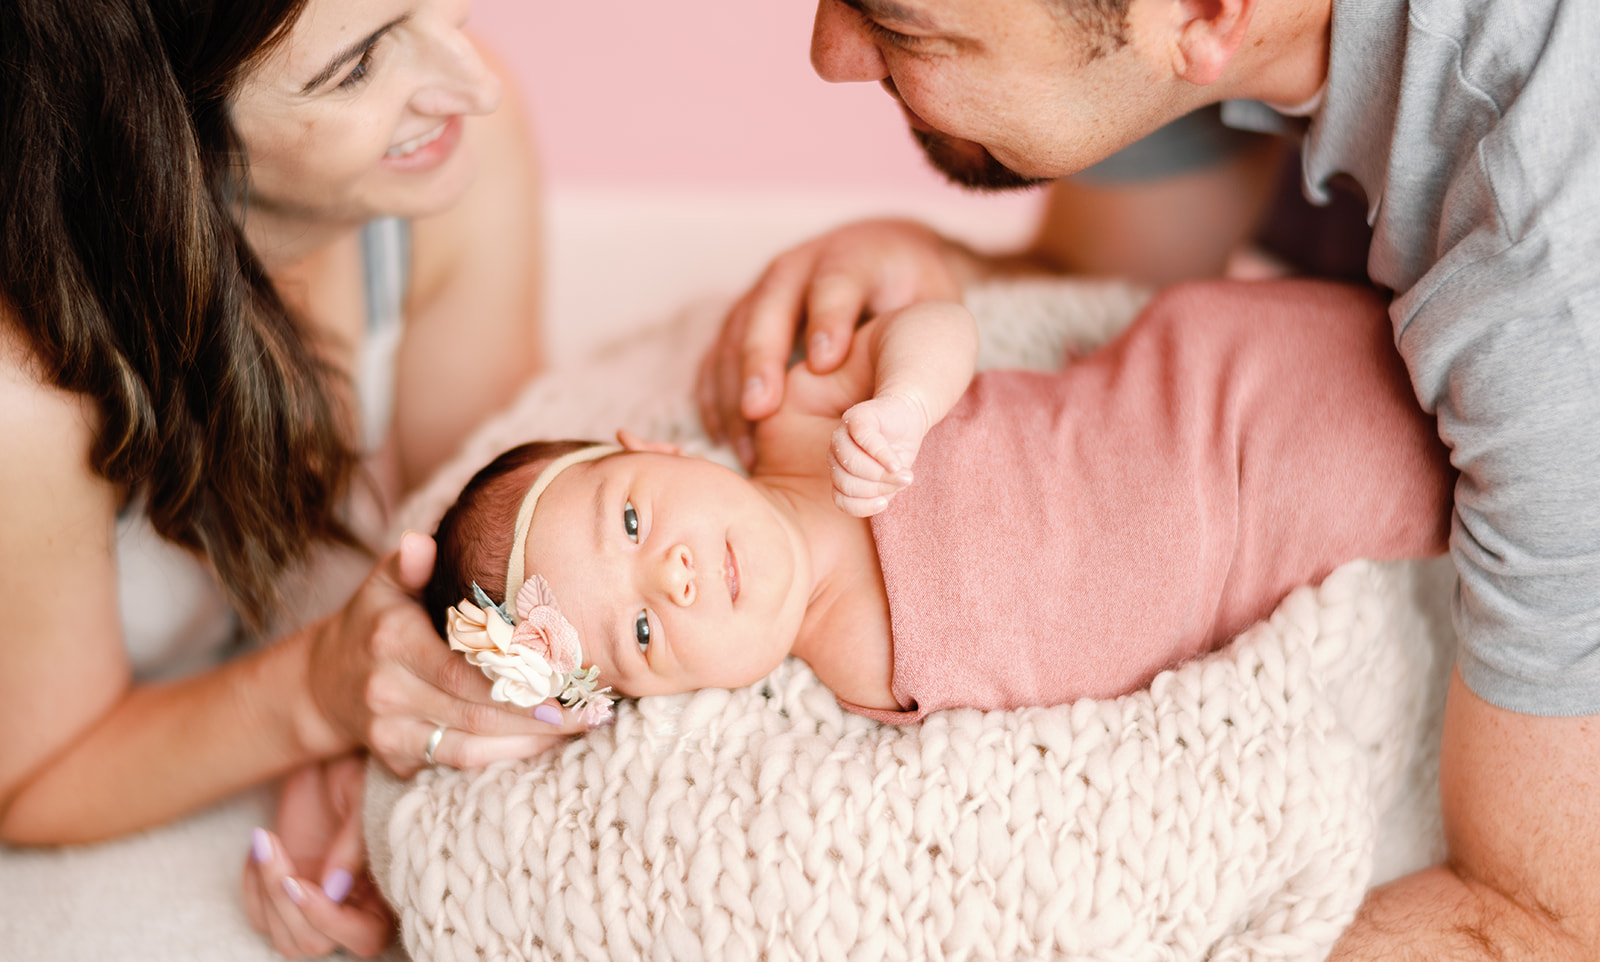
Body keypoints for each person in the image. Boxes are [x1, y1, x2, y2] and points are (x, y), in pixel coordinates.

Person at [658, 0, 1600, 962]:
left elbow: (1547, 929)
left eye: (898, 24)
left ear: (1206, 12)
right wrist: (939, 276)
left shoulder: (1555, 305)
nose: (827, 56)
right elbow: (1133, 248)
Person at [0, 0, 569, 961]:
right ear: (157, 131)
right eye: (356, 62)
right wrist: (312, 696)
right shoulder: (26, 397)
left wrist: (400, 764)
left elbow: (492, 545)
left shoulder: (448, 179)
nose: (472, 80)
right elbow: (31, 781)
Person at [423, 279, 1449, 723]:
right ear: (652, 703)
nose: (676, 574)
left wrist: (904, 404)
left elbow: (937, 322)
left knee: (1448, 406)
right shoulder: (856, 696)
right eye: (642, 630)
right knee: (1460, 528)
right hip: (1261, 563)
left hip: (1214, 400)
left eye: (636, 522)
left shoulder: (800, 425)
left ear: (648, 447)